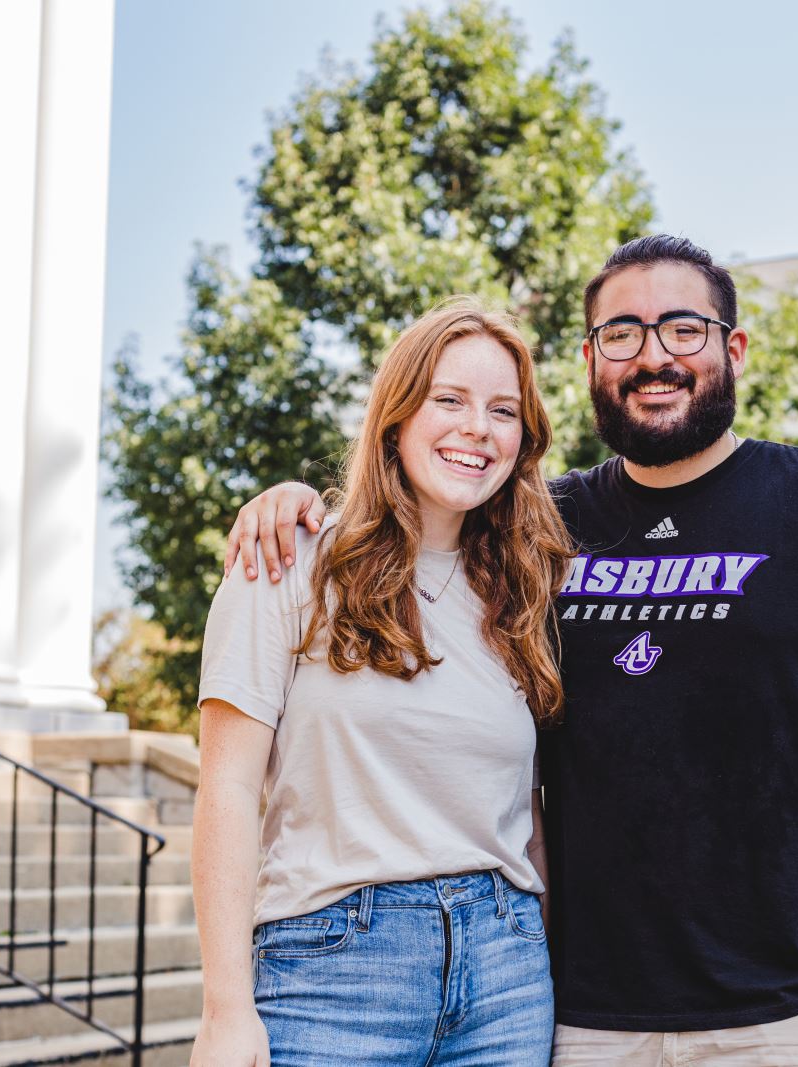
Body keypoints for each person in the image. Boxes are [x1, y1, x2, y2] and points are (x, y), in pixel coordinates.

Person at [226, 236, 798, 1064]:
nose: (653, 355)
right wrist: (295, 504)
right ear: (592, 359)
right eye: (622, 333)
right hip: (584, 1018)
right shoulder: (533, 534)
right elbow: (414, 522)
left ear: (732, 348)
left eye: (683, 329)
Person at [190, 297, 573, 1067]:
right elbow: (226, 787)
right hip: (331, 968)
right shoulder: (288, 563)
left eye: (503, 410)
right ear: (396, 416)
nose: (477, 428)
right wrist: (225, 1008)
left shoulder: (525, 595)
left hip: (506, 974)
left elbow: (527, 817)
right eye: (450, 400)